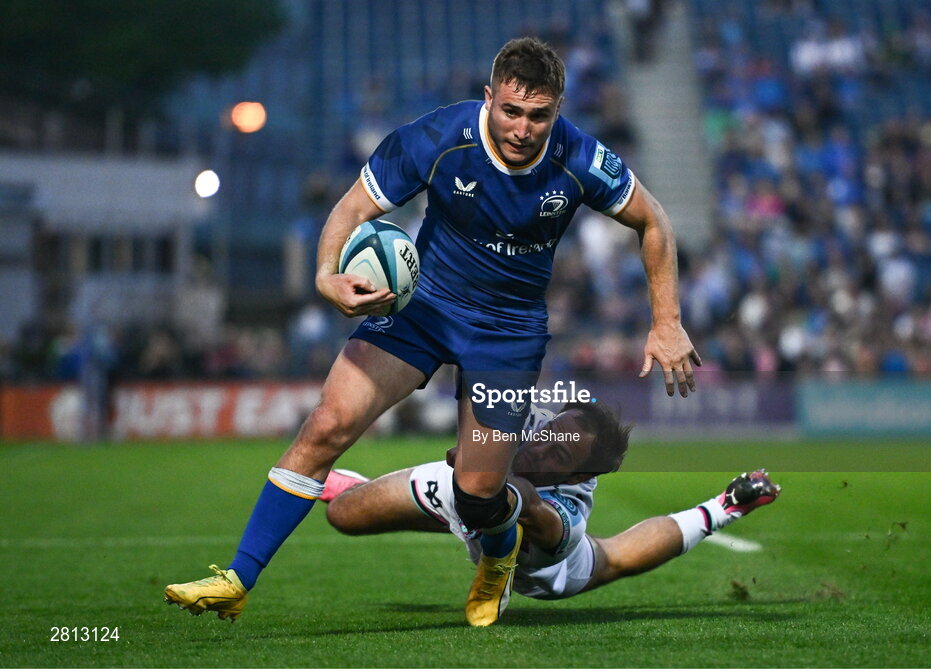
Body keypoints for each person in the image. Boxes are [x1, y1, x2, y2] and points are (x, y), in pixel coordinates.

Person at [164, 37, 701, 627]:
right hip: (425, 307)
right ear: (489, 97)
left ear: (559, 109)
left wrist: (667, 320)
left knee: (477, 490)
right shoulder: (437, 139)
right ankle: (239, 579)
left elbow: (653, 220)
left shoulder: (580, 158)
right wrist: (326, 275)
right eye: (512, 111)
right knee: (325, 426)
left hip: (509, 333)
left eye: (540, 115)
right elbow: (350, 211)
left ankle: (498, 557)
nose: (524, 128)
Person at [321, 401, 780, 606]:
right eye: (549, 433)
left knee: (613, 558)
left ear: (578, 476)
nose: (541, 447)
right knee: (341, 514)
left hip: (532, 567)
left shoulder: (570, 512)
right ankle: (383, 490)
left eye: (558, 455)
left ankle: (725, 505)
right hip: (472, 490)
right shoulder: (528, 420)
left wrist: (498, 481)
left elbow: (536, 514)